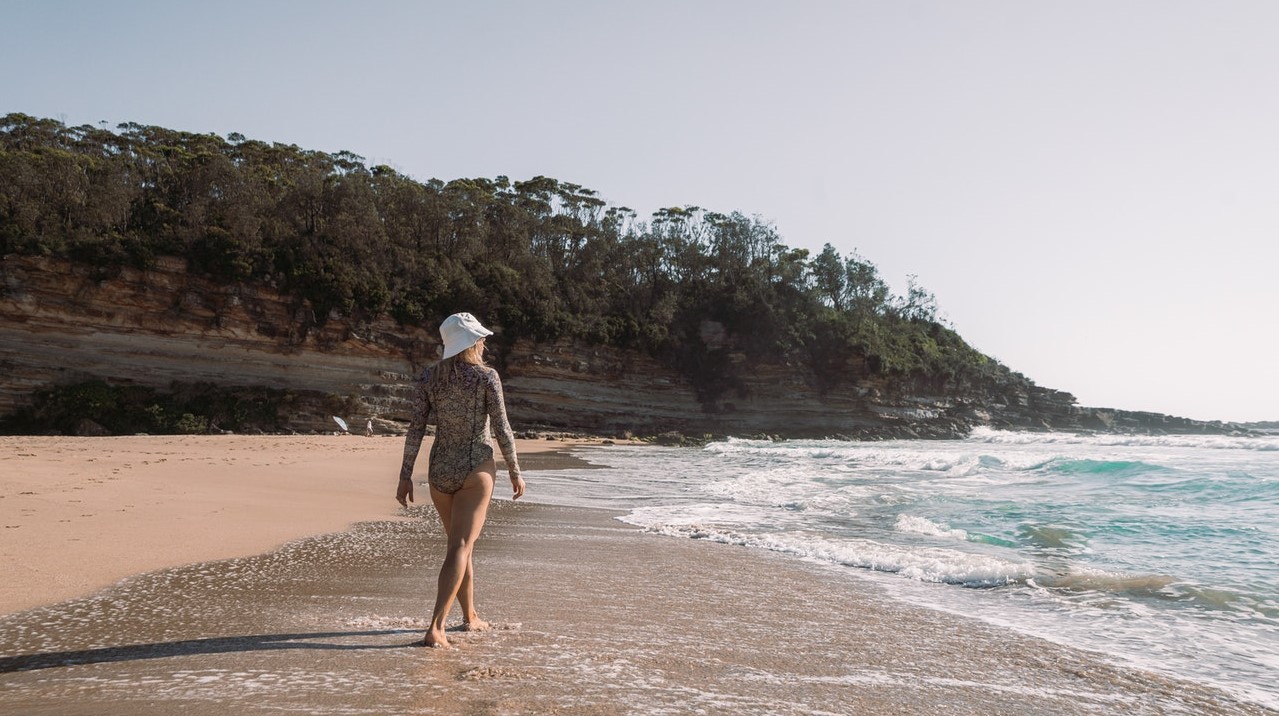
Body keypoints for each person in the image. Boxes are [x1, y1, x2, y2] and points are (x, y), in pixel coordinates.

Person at [396, 312, 525, 648]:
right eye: (480, 338)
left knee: (460, 545)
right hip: (474, 469)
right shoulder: (486, 377)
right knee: (460, 546)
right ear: (473, 342)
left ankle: (469, 616)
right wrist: (514, 469)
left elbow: (416, 429)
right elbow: (501, 428)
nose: (484, 343)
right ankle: (436, 626)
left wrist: (405, 475)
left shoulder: (429, 378)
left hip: (439, 472)